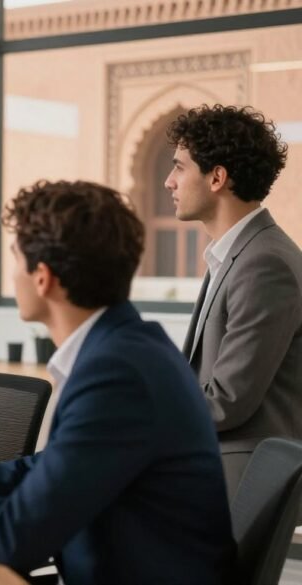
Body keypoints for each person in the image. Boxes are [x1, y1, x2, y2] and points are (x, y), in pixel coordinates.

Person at [0, 181, 235, 584]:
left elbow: (17, 533)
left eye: (15, 257)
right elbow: (50, 470)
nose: (12, 272)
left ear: (43, 278)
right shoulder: (123, 348)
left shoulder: (117, 374)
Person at [165, 104, 302, 501]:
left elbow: (228, 402)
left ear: (217, 178)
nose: (168, 182)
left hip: (239, 482)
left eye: (179, 167)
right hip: (216, 470)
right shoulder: (237, 254)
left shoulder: (264, 262)